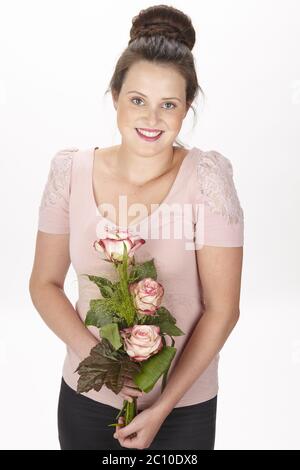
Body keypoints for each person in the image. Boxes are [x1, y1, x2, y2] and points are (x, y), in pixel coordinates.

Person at [29, 4, 244, 450]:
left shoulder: (208, 180)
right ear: (115, 96)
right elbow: (44, 283)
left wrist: (162, 407)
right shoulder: (70, 171)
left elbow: (223, 309)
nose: (152, 119)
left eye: (169, 104)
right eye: (138, 100)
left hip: (183, 408)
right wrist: (100, 358)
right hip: (87, 399)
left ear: (186, 108)